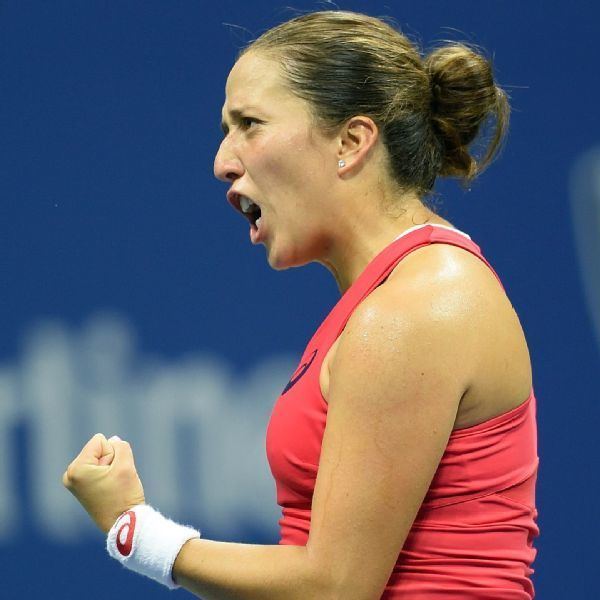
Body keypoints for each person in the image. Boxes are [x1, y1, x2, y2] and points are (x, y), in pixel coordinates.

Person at [63, 10, 539, 599]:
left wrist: (135, 531)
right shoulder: (389, 297)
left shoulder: (418, 305)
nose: (222, 162)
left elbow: (333, 588)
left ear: (351, 142)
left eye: (250, 125)